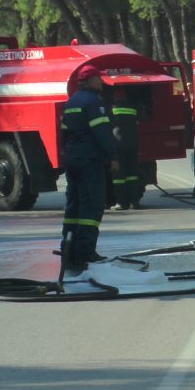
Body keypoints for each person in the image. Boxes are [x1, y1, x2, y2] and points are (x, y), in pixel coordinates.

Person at [60, 65, 118, 272]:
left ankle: (68, 249)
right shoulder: (95, 103)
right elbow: (102, 133)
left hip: (73, 159)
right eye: (98, 79)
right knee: (91, 206)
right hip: (90, 161)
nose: (101, 82)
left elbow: (64, 133)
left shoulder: (71, 102)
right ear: (90, 80)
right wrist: (113, 156)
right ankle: (85, 252)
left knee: (73, 206)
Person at [110, 89, 141, 211]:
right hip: (132, 144)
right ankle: (134, 202)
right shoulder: (133, 108)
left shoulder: (110, 109)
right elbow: (137, 122)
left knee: (118, 176)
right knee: (132, 174)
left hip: (118, 145)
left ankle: (121, 203)